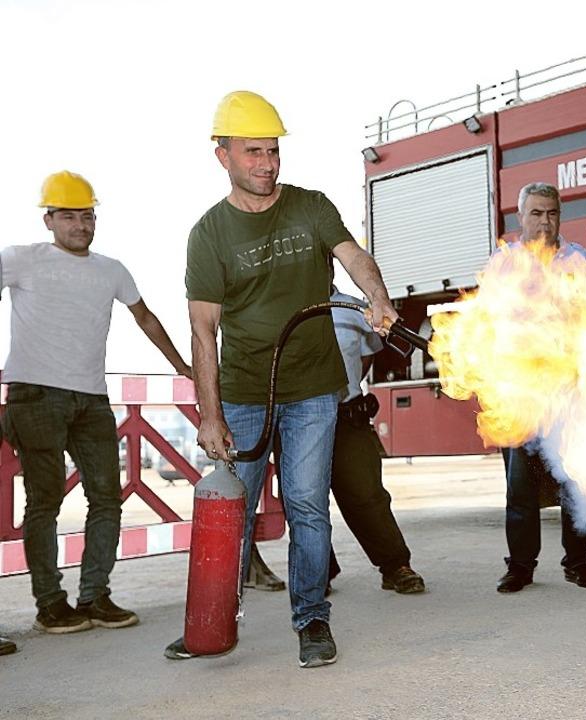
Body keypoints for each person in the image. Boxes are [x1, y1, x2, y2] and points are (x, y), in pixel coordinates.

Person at [167, 91, 398, 667]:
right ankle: (210, 623)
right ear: (222, 156)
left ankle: (312, 621)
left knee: (306, 504)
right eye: (253, 153)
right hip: (244, 393)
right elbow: (203, 333)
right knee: (233, 512)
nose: (267, 163)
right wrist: (211, 414)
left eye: (272, 151)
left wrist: (377, 297)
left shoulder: (310, 206)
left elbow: (353, 255)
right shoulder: (209, 235)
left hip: (314, 389)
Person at [2, 171, 192, 635]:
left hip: (91, 399)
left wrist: (184, 367)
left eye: (87, 215)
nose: (81, 225)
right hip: (35, 396)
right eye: (69, 215)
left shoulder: (111, 269)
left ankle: (95, 596)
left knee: (107, 498)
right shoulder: (20, 260)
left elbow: (145, 318)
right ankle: (51, 604)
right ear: (48, 220)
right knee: (44, 502)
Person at [495, 182, 586, 594]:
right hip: (521, 393)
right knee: (519, 487)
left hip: (571, 390)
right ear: (520, 217)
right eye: (536, 213)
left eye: (552, 213)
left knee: (576, 481)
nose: (545, 221)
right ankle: (520, 566)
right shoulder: (504, 262)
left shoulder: (578, 260)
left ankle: (578, 562)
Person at [327, 277, 425, 595]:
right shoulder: (282, 307)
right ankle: (316, 574)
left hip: (346, 415)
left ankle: (395, 566)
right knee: (303, 502)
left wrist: (349, 386)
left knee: (367, 494)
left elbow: (368, 354)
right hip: (296, 419)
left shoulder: (352, 308)